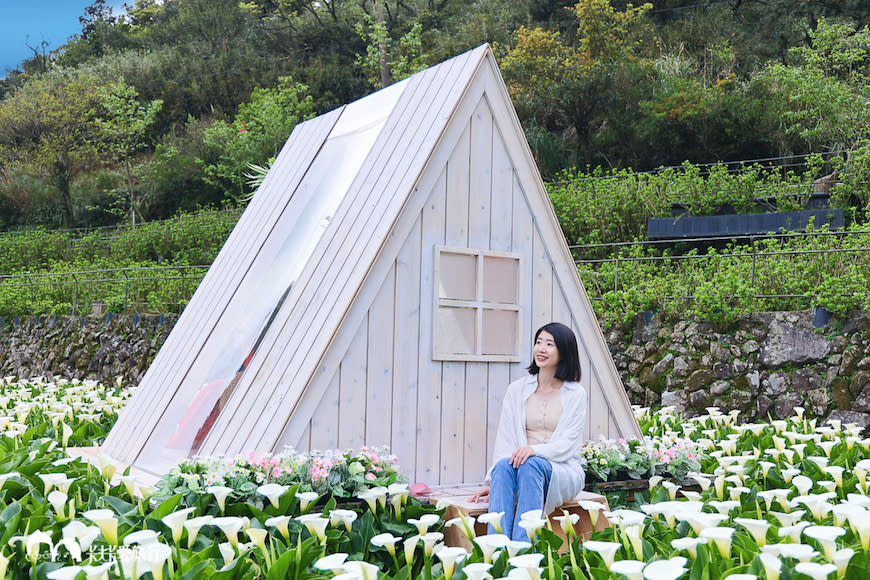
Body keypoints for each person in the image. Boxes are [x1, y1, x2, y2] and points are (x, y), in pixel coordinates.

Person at [470, 322, 587, 540]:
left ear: (564, 351)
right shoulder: (517, 390)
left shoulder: (576, 394)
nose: (541, 349)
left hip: (562, 469)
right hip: (522, 466)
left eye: (549, 344)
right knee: (504, 466)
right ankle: (497, 551)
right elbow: (505, 439)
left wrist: (533, 450)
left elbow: (567, 445)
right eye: (538, 342)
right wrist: (497, 483)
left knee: (531, 464)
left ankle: (523, 552)